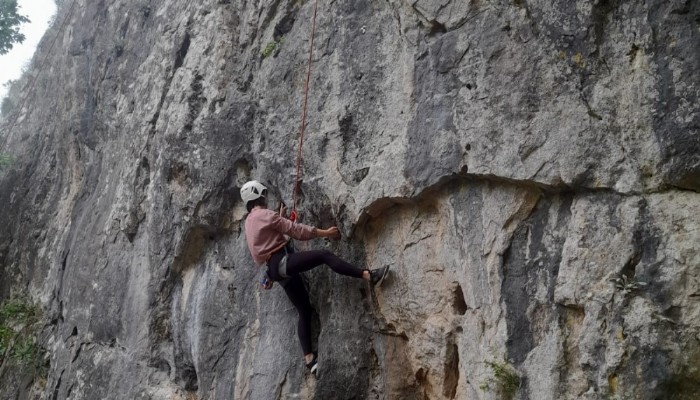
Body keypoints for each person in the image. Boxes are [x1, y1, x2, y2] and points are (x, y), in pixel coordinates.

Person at [240, 180, 389, 374]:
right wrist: (324, 232)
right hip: (283, 262)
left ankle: (309, 359)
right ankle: (368, 275)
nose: (266, 199)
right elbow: (297, 231)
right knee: (324, 256)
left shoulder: (249, 222)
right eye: (264, 196)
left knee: (304, 310)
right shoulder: (265, 215)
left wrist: (280, 220)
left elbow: (269, 245)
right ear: (259, 195)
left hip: (275, 269)